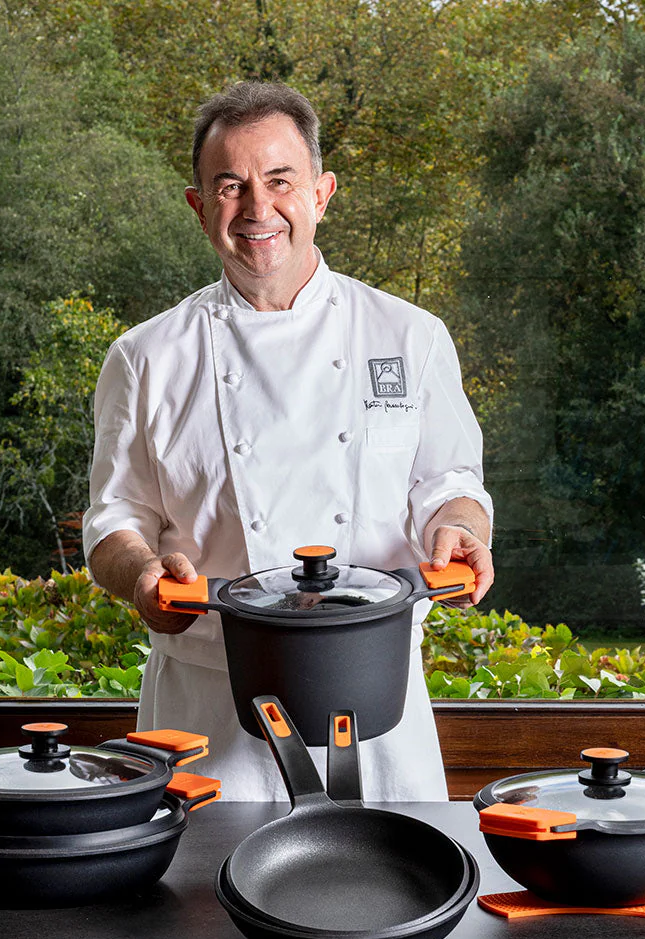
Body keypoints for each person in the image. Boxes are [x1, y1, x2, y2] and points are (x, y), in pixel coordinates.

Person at [83, 81, 493, 801]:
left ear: (321, 194)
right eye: (230, 187)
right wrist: (141, 572)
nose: (257, 208)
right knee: (207, 878)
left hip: (377, 697)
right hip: (211, 710)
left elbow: (450, 484)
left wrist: (460, 530)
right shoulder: (146, 358)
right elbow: (114, 520)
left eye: (280, 180)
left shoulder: (409, 336)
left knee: (392, 871)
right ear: (199, 206)